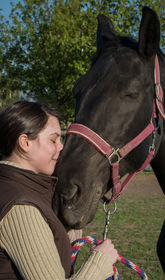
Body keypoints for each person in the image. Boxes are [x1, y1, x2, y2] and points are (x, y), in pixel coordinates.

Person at [0, 101, 118, 280]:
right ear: (25, 143)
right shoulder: (21, 207)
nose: (61, 147)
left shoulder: (10, 186)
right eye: (53, 140)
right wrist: (100, 262)